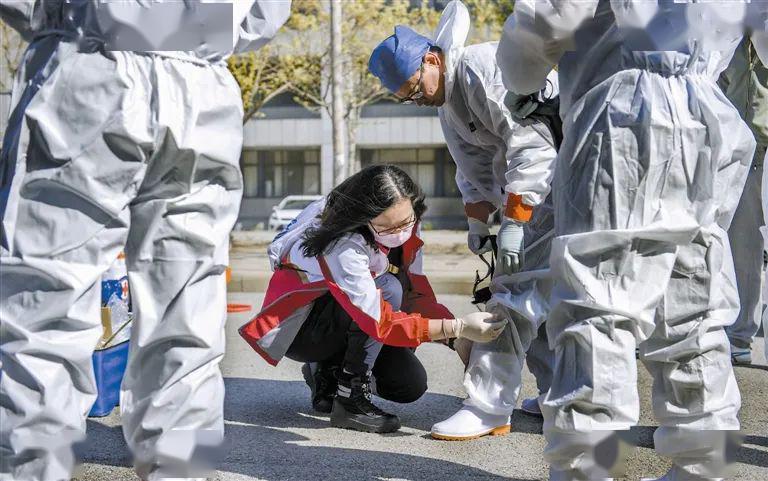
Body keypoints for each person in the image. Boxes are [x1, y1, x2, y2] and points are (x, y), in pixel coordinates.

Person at [0, 2, 291, 480]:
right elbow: (264, 14)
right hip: (202, 83)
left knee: (43, 315)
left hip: (89, 54)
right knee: (189, 323)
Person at [498, 2, 768, 480]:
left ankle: (587, 468)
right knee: (695, 301)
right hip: (711, 115)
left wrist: (521, 76)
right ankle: (704, 466)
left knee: (599, 302)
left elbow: (552, 17)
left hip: (621, 111)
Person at [368, 0, 559, 441]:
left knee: (513, 293)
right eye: (407, 98)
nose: (416, 100)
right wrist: (478, 224)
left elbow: (532, 146)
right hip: (535, 197)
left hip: (551, 187)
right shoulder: (448, 101)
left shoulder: (481, 68)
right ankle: (556, 396)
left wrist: (514, 218)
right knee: (545, 301)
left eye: (415, 88)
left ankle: (489, 405)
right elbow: (472, 168)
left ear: (432, 59)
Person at [239, 164, 507, 434]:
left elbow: (415, 290)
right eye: (387, 227)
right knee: (389, 287)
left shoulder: (403, 217)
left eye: (406, 222)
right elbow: (380, 322)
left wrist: (455, 339)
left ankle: (327, 371)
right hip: (305, 332)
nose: (400, 232)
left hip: (349, 319)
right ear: (363, 217)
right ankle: (349, 399)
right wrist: (457, 327)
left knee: (408, 384)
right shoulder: (341, 242)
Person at [718, 38, 768, 365]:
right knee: (738, 236)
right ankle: (735, 332)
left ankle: (741, 334)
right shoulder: (729, 20)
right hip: (735, 140)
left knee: (750, 239)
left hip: (762, 138)